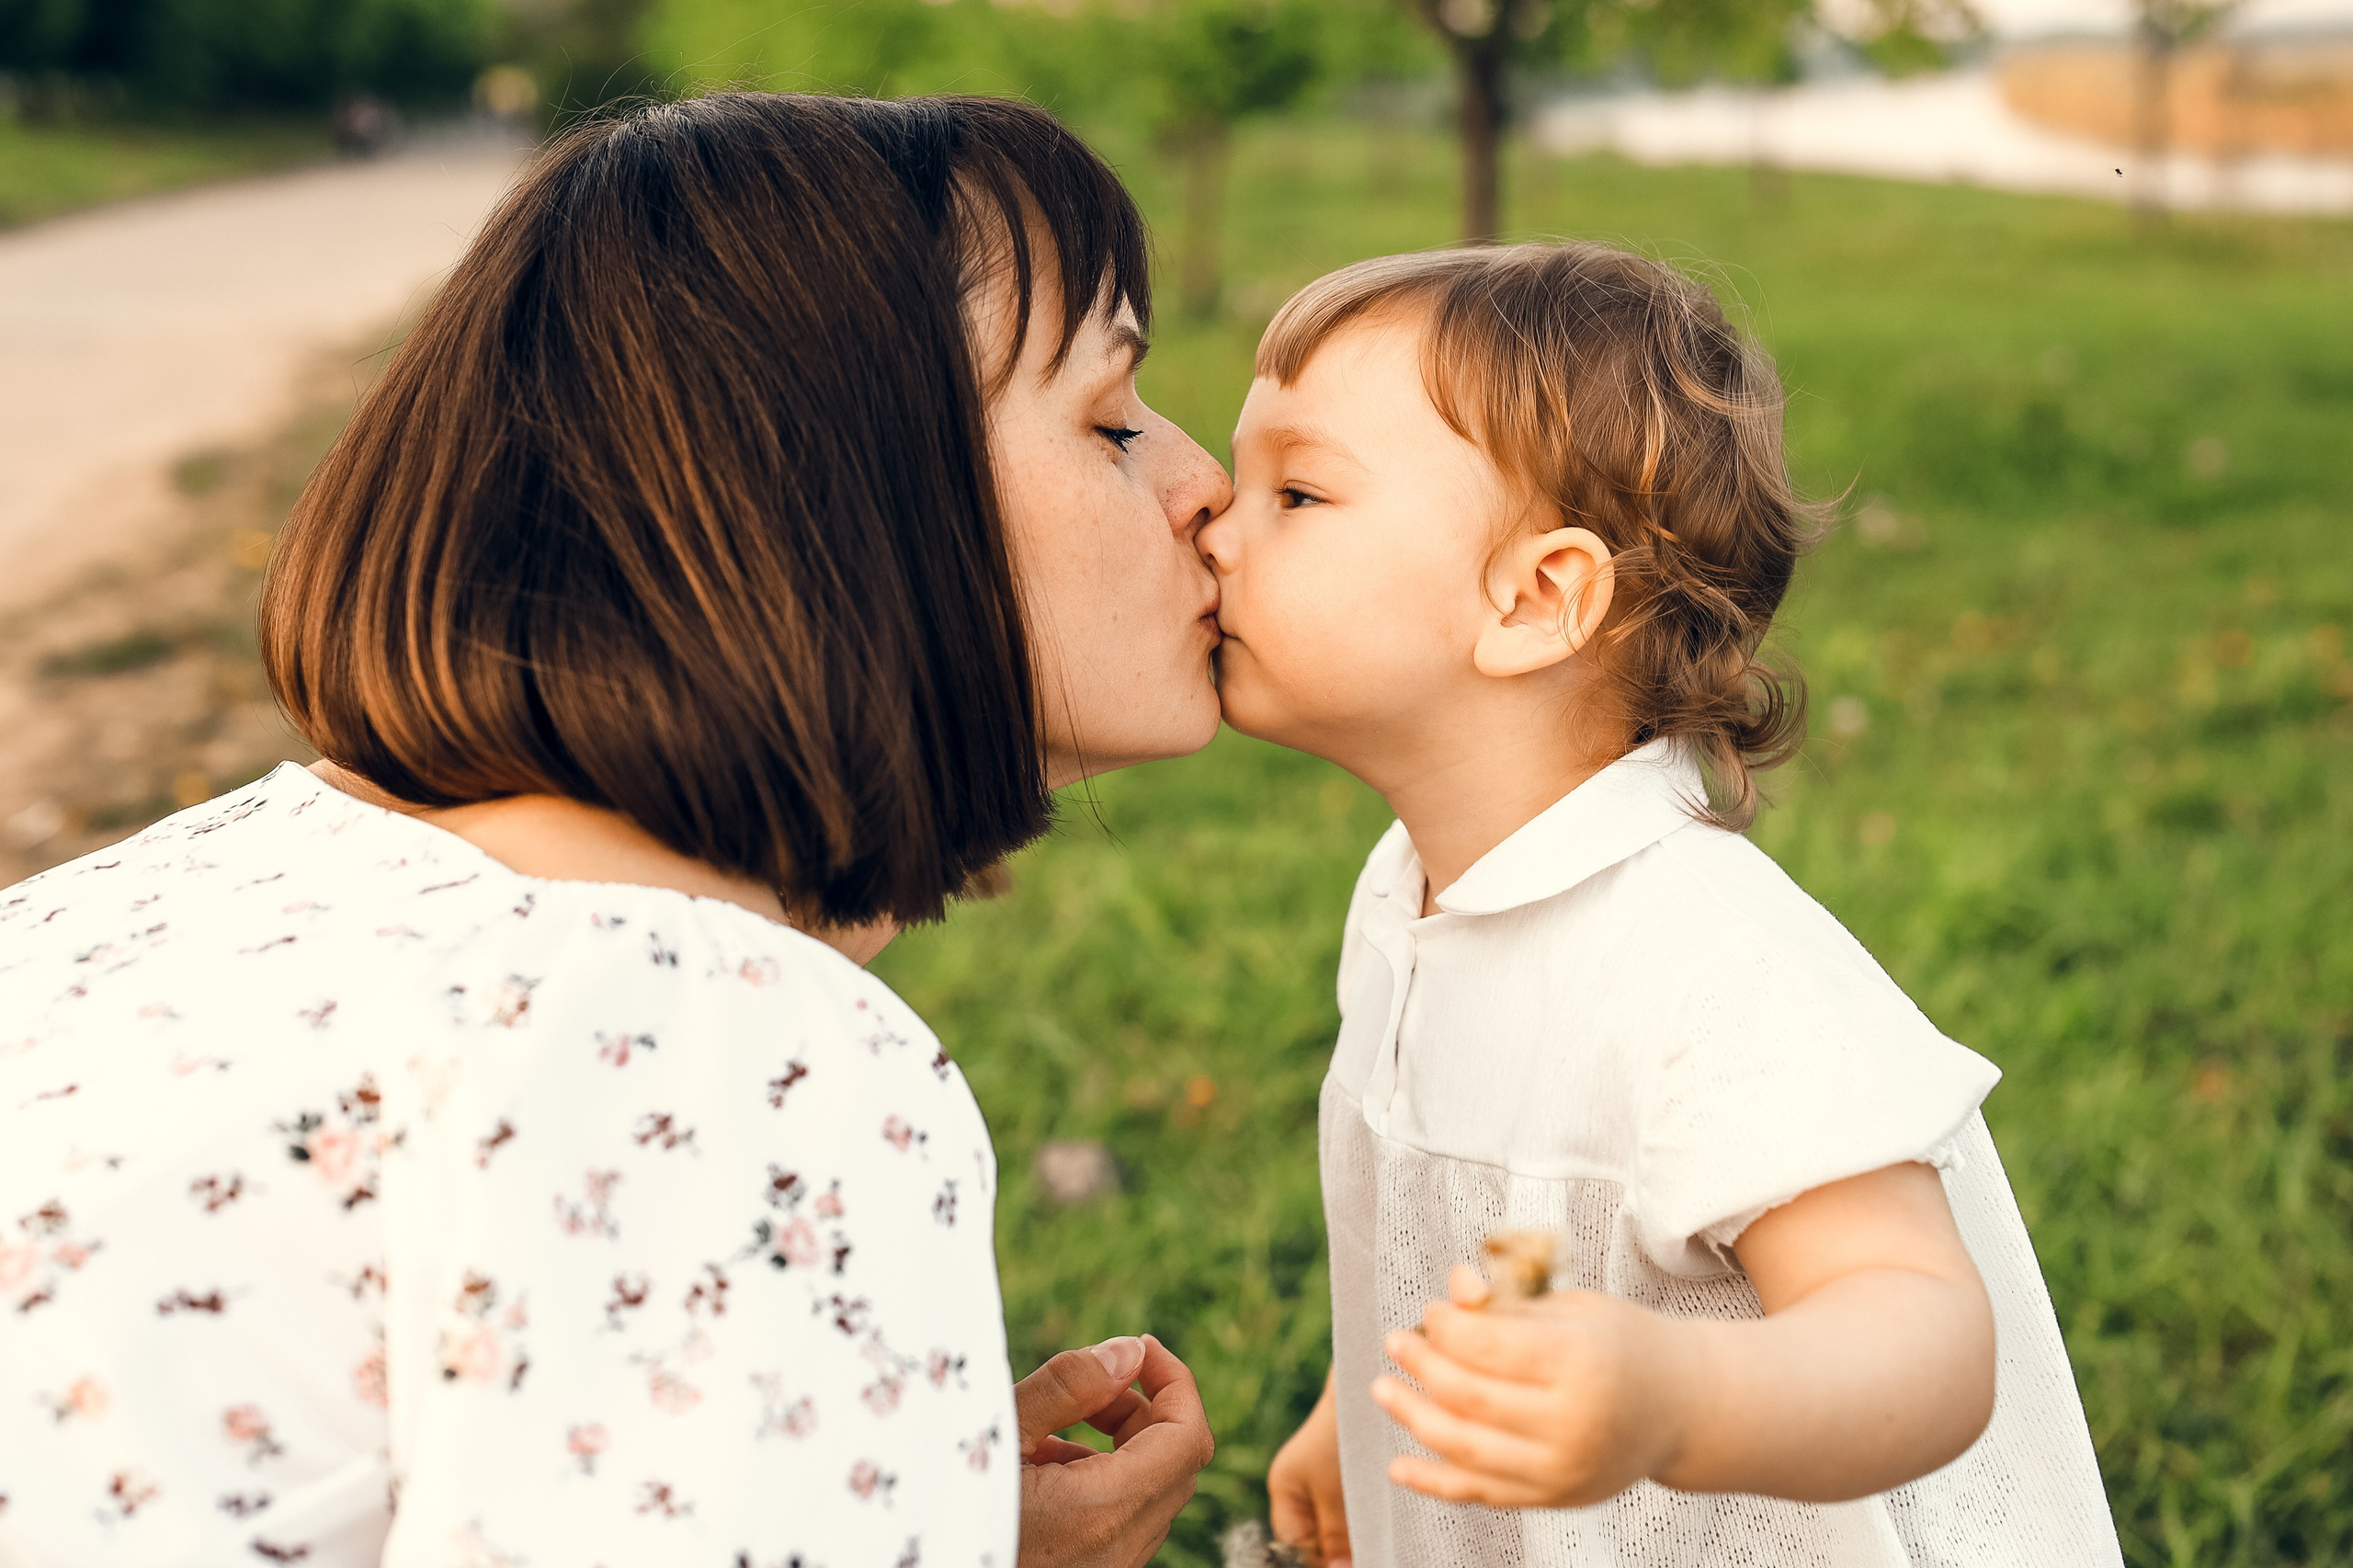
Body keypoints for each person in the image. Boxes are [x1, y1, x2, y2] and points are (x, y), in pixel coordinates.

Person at [0, 94, 1229, 1568]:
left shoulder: (160, 894)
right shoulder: (714, 1047)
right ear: (831, 494)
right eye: (1109, 421)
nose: (1201, 480)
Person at [1198, 244, 2121, 1566]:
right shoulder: (1411, 895)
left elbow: (1924, 1328)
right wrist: (1366, 1404)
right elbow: (1481, 1212)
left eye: (1293, 491)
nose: (1214, 527)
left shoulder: (1703, 963)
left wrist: (1676, 1400)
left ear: (1537, 598)